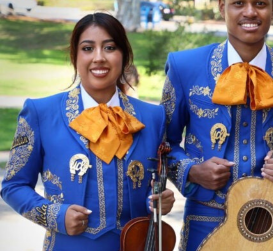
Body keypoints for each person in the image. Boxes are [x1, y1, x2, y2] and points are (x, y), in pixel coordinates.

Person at [160, 0, 273, 251]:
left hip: (268, 229)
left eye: (260, 3)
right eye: (238, 3)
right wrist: (192, 171)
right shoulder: (185, 67)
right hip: (203, 226)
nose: (250, 12)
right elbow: (163, 145)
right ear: (222, 7)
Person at [1, 13, 175, 251]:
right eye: (87, 48)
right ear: (75, 56)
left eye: (110, 47)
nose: (99, 58)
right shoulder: (41, 113)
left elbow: (150, 185)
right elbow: (13, 186)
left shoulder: (152, 118)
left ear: (124, 55)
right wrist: (55, 216)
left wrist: (157, 201)